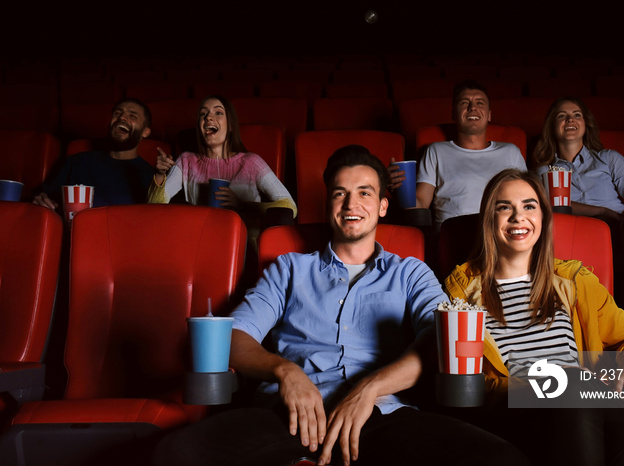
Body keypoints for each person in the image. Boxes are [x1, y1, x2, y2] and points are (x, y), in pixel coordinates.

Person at [152, 146, 529, 466]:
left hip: (381, 414)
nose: (352, 204)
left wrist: (369, 389)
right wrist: (285, 372)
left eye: (365, 193)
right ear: (329, 202)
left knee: (500, 458)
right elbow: (234, 335)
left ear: (383, 206)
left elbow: (437, 340)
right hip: (289, 415)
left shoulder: (411, 272)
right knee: (177, 452)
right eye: (340, 193)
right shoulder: (289, 268)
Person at [443, 168, 624, 466]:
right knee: (572, 383)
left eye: (529, 206)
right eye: (504, 207)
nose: (518, 217)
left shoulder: (575, 281)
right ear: (489, 219)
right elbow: (465, 382)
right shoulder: (461, 291)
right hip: (515, 411)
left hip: (585, 401)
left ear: (543, 218)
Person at [388, 79, 527, 229]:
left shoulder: (510, 152)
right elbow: (421, 202)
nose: (472, 107)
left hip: (498, 231)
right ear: (454, 114)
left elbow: (526, 199)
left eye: (480, 103)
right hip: (452, 232)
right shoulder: (436, 151)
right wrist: (400, 189)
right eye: (464, 103)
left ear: (489, 115)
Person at [147, 95, 296, 230]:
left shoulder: (251, 162)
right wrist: (160, 175)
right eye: (203, 114)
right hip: (199, 237)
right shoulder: (186, 161)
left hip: (244, 241)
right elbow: (155, 208)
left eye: (218, 113)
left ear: (230, 125)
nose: (208, 118)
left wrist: (242, 205)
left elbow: (289, 207)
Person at [532, 96, 624, 222]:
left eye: (577, 115)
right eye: (561, 116)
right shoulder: (546, 170)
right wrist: (602, 211)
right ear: (552, 127)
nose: (570, 119)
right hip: (575, 232)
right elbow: (553, 205)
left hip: (617, 224)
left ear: (586, 123)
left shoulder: (610, 158)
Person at [33, 98, 155, 210]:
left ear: (145, 132)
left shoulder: (152, 177)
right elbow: (44, 195)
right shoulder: (76, 162)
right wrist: (41, 199)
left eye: (132, 116)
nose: (122, 118)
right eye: (117, 113)